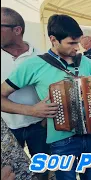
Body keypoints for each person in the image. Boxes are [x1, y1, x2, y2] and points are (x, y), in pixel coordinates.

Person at [1, 14, 91, 180]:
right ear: (53, 40)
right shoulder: (34, 64)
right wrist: (32, 110)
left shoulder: (85, 62)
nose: (77, 47)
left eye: (78, 42)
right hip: (62, 141)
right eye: (71, 43)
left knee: (89, 177)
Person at [1, 7, 49, 180]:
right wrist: (31, 110)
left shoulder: (41, 57)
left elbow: (51, 90)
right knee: (12, 175)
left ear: (17, 30)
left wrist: (45, 118)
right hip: (7, 129)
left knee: (42, 172)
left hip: (39, 127)